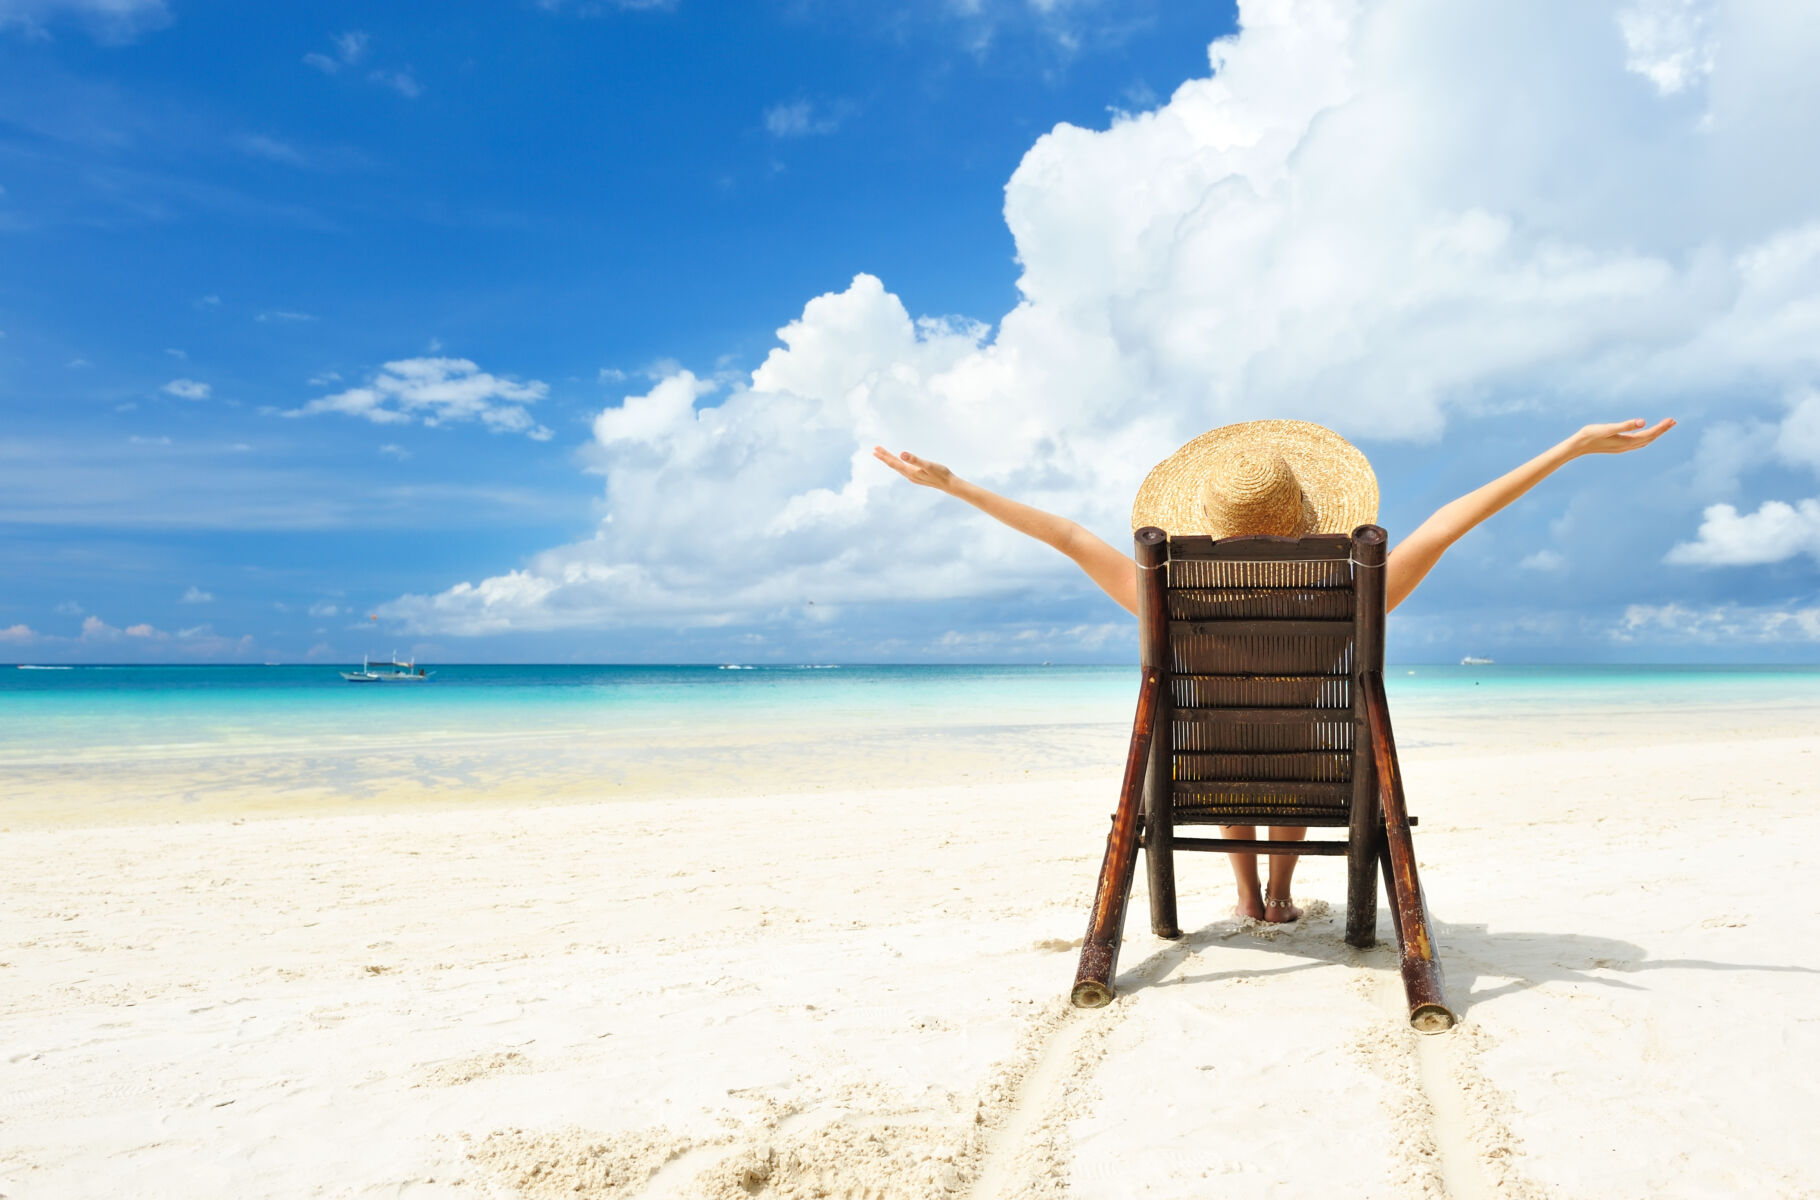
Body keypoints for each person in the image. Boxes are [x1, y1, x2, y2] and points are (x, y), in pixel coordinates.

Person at [873, 416, 1675, 924]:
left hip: (1202, 778)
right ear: (1305, 520)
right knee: (1295, 735)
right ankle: (1284, 893)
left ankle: (1247, 897)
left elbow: (1070, 538)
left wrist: (956, 487)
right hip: (1314, 781)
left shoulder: (1166, 593)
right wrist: (1566, 449)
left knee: (1228, 732)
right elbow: (1444, 527)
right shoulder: (1346, 591)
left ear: (1208, 525)